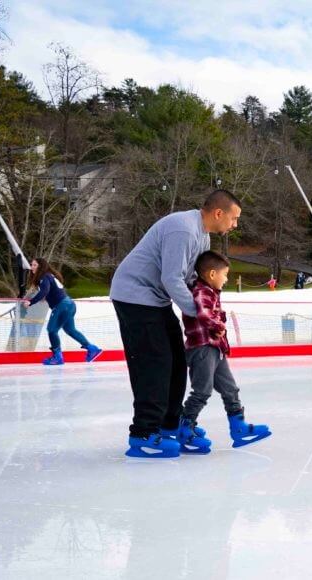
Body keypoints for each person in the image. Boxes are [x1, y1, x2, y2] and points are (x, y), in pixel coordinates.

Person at [110, 189, 241, 459]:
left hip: (155, 300)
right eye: (234, 218)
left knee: (177, 362)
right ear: (219, 213)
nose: (235, 224)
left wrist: (209, 309)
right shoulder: (183, 229)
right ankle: (144, 433)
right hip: (134, 296)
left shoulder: (201, 236)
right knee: (155, 362)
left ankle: (170, 426)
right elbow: (172, 279)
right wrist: (202, 315)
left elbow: (194, 280)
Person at [177, 251, 271, 453]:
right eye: (225, 275)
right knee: (202, 391)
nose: (227, 279)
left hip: (215, 348)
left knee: (230, 389)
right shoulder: (202, 291)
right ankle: (184, 428)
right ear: (212, 274)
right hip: (202, 348)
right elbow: (203, 313)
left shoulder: (210, 292)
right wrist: (217, 324)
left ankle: (239, 427)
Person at [25, 258, 102, 365]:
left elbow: (44, 291)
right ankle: (92, 348)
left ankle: (57, 357)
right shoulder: (49, 276)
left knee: (52, 330)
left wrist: (31, 302)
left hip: (62, 306)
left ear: (40, 266)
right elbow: (48, 291)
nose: (31, 267)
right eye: (31, 265)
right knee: (70, 330)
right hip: (69, 304)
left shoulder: (44, 276)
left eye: (34, 265)